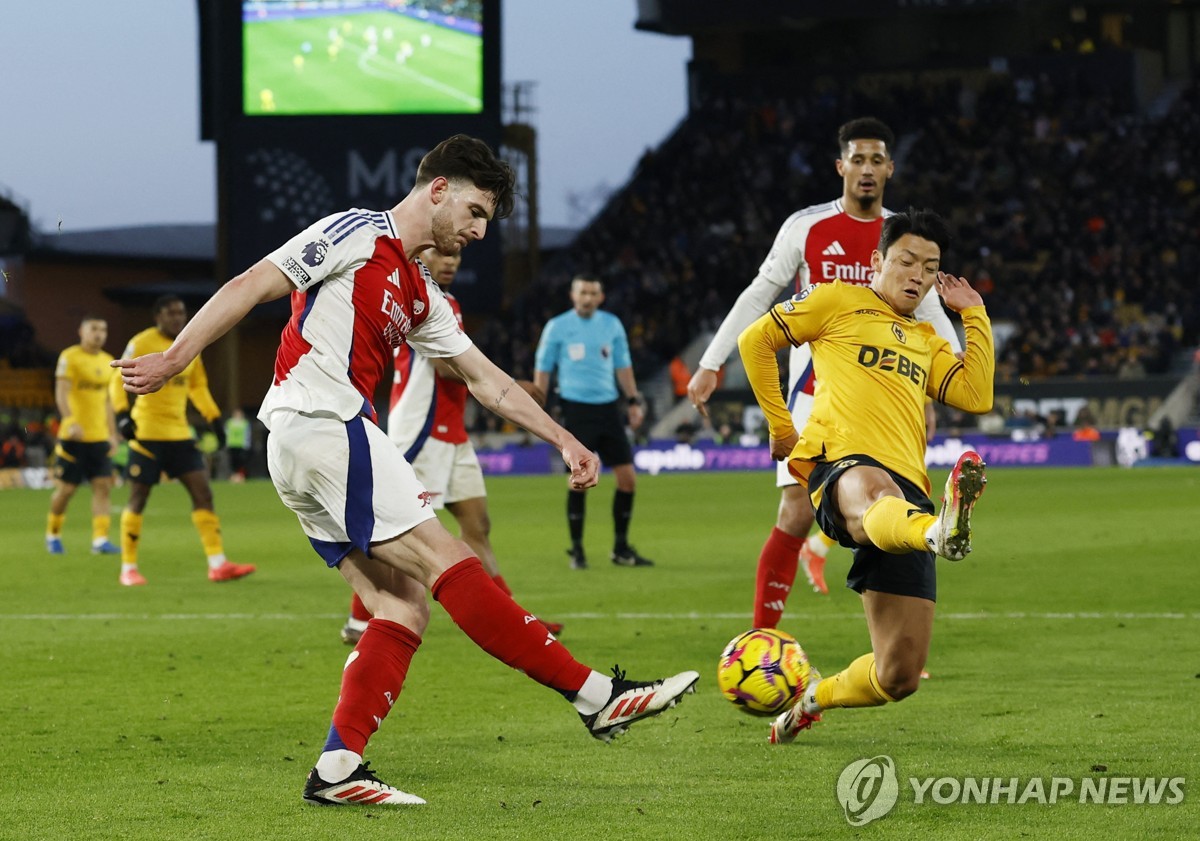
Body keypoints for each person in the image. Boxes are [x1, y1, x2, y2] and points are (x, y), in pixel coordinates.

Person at [112, 134, 699, 806]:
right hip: (323, 423)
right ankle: (596, 695)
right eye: (475, 212)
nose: (478, 231)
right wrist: (176, 357)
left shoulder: (419, 292)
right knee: (448, 558)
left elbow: (487, 381)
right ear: (439, 188)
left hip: (302, 446)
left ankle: (337, 768)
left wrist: (564, 438)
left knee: (401, 602)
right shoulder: (355, 232)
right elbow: (252, 283)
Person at [687, 117, 963, 621]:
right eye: (857, 159)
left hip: (887, 398)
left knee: (886, 507)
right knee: (795, 512)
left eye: (876, 160)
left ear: (890, 169)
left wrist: (943, 385)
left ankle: (893, 644)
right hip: (815, 395)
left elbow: (930, 317)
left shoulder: (905, 236)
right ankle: (761, 641)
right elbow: (760, 295)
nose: (866, 169)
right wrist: (711, 362)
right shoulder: (806, 227)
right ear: (841, 166)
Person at [735, 208, 994, 744]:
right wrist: (782, 429)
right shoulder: (836, 299)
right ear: (877, 260)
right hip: (841, 467)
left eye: (930, 266)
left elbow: (977, 395)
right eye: (906, 261)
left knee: (898, 675)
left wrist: (975, 314)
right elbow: (754, 341)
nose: (917, 275)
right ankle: (938, 531)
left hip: (908, 500)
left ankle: (810, 699)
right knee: (874, 487)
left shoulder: (925, 338)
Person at [339, 246, 563, 644]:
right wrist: (511, 387)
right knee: (400, 529)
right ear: (424, 259)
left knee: (478, 525)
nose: (452, 261)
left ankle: (516, 619)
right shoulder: (417, 295)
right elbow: (445, 364)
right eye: (443, 255)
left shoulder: (448, 301)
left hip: (452, 433)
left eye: (457, 257)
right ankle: (360, 617)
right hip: (422, 433)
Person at [109, 295, 255, 587]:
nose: (178, 318)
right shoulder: (141, 342)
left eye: (181, 312)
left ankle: (218, 564)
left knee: (203, 494)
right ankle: (128, 568)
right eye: (171, 313)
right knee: (138, 498)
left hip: (179, 435)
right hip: (146, 436)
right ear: (157, 316)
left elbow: (197, 386)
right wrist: (123, 416)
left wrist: (214, 419)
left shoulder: (189, 345)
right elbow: (117, 381)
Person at [533, 275, 653, 569]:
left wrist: (634, 400)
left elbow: (623, 365)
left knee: (628, 480)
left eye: (593, 293)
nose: (587, 297)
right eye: (582, 292)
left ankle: (621, 549)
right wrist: (536, 408)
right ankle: (577, 550)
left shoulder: (611, 325)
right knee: (578, 481)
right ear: (573, 295)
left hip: (608, 408)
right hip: (576, 410)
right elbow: (543, 369)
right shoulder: (557, 327)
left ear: (601, 297)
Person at [45, 315, 120, 555]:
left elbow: (108, 402)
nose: (99, 334)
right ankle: (53, 534)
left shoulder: (109, 362)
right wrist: (70, 420)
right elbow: (61, 393)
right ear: (81, 331)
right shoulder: (70, 357)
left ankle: (100, 540)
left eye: (103, 330)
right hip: (74, 437)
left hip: (99, 437)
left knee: (103, 487)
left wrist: (113, 433)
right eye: (94, 329)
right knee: (66, 490)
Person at [224, 407, 252, 483]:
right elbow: (226, 433)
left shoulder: (245, 423)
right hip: (232, 445)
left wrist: (247, 444)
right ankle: (234, 476)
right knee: (233, 462)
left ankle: (241, 476)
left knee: (241, 462)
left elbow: (247, 434)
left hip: (241, 445)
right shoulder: (229, 423)